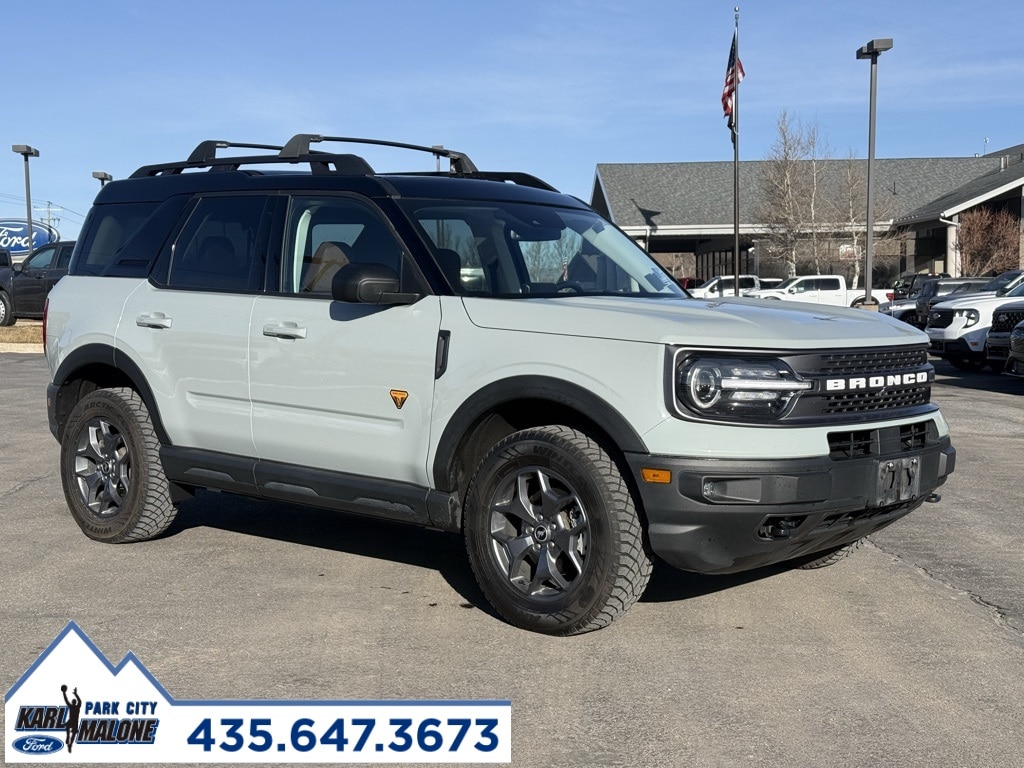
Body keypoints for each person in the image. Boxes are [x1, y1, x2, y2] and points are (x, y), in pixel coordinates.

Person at [61, 684, 81, 753]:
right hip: (73, 721)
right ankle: (68, 737)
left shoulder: (75, 707)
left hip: (73, 721)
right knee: (68, 728)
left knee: (71, 731)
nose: (73, 702)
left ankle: (70, 743)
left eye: (73, 701)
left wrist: (75, 694)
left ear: (74, 702)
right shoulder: (74, 706)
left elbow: (79, 701)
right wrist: (64, 693)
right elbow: (66, 700)